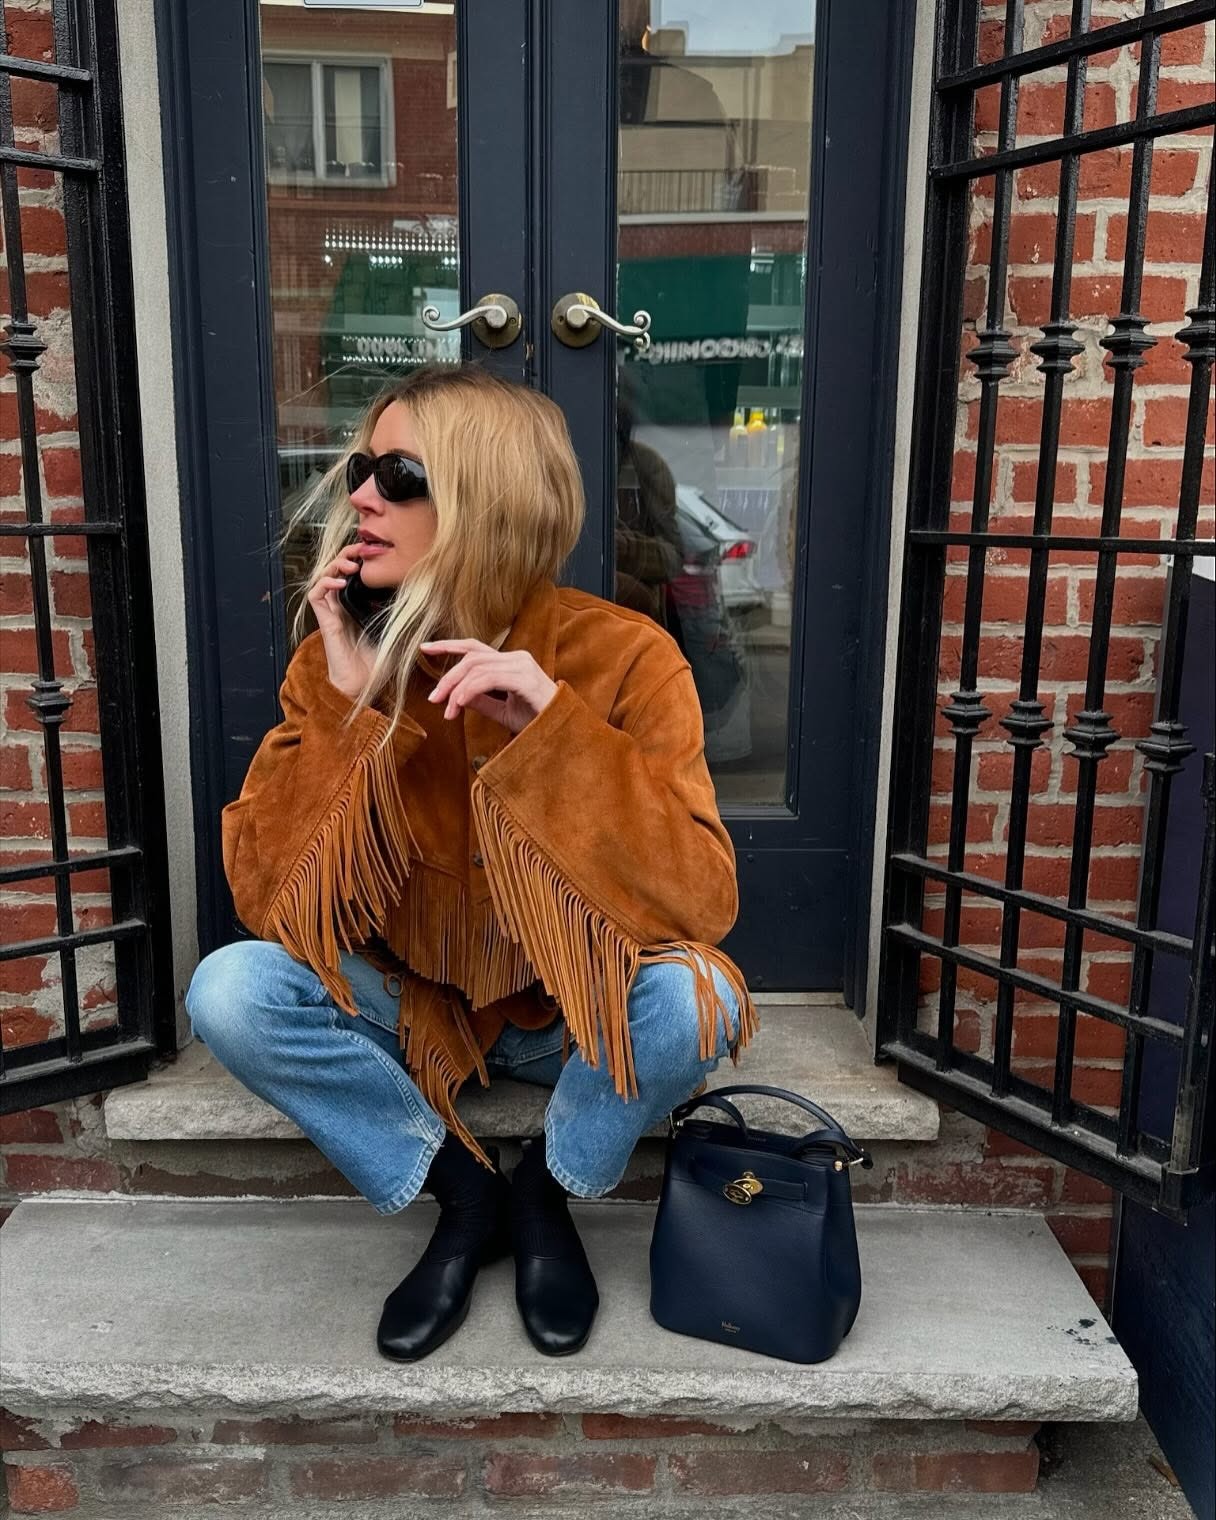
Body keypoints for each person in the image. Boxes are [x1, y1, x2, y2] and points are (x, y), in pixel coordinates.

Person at [184, 362, 757, 1363]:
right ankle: (462, 1189)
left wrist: (555, 732)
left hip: (562, 1011)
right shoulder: (337, 657)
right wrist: (356, 712)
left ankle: (545, 1189)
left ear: (487, 499)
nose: (360, 493)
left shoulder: (624, 656)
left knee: (698, 999)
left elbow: (699, 903)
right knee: (230, 990)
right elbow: (269, 901)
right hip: (410, 1004)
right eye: (363, 466)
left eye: (400, 473)